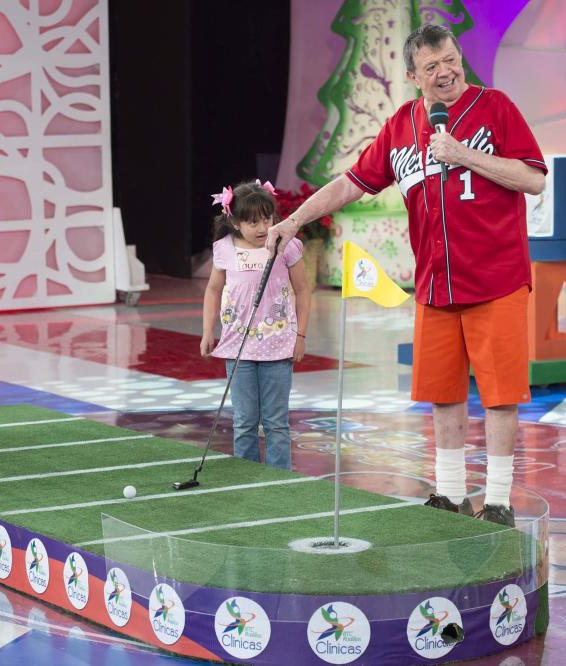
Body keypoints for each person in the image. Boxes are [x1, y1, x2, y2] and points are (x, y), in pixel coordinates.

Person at [266, 24, 547, 526]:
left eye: (451, 60)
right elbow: (349, 185)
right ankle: (451, 493)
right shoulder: (401, 125)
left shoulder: (495, 107)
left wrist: (463, 155)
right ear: (414, 76)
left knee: (501, 395)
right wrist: (292, 221)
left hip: (497, 279)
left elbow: (533, 178)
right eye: (432, 67)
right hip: (436, 285)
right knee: (443, 392)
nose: (446, 72)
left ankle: (500, 500)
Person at [201, 180, 311, 470]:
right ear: (235, 223)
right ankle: (245, 480)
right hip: (238, 349)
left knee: (276, 422)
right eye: (253, 222)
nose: (263, 227)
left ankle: (279, 481)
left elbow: (303, 290)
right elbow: (213, 290)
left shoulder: (287, 245)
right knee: (244, 422)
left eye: (267, 218)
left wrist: (300, 335)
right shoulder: (224, 250)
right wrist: (206, 332)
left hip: (278, 347)